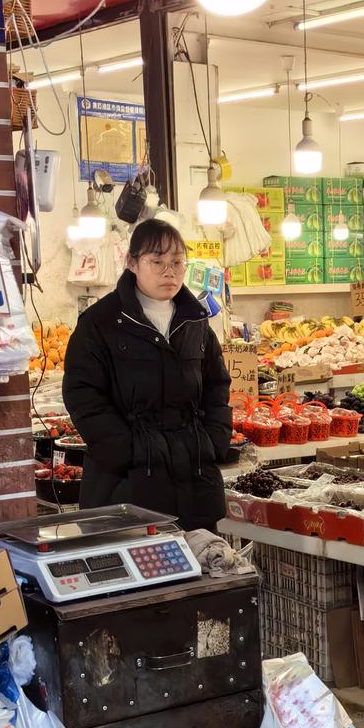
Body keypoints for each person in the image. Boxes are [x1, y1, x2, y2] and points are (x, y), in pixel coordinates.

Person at [63, 218, 231, 530]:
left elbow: (216, 385)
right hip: (127, 485)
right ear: (132, 263)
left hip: (195, 479)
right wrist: (127, 451)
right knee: (144, 571)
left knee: (201, 568)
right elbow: (82, 394)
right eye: (157, 261)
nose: (170, 271)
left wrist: (213, 441)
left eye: (177, 262)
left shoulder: (195, 321)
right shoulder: (101, 323)